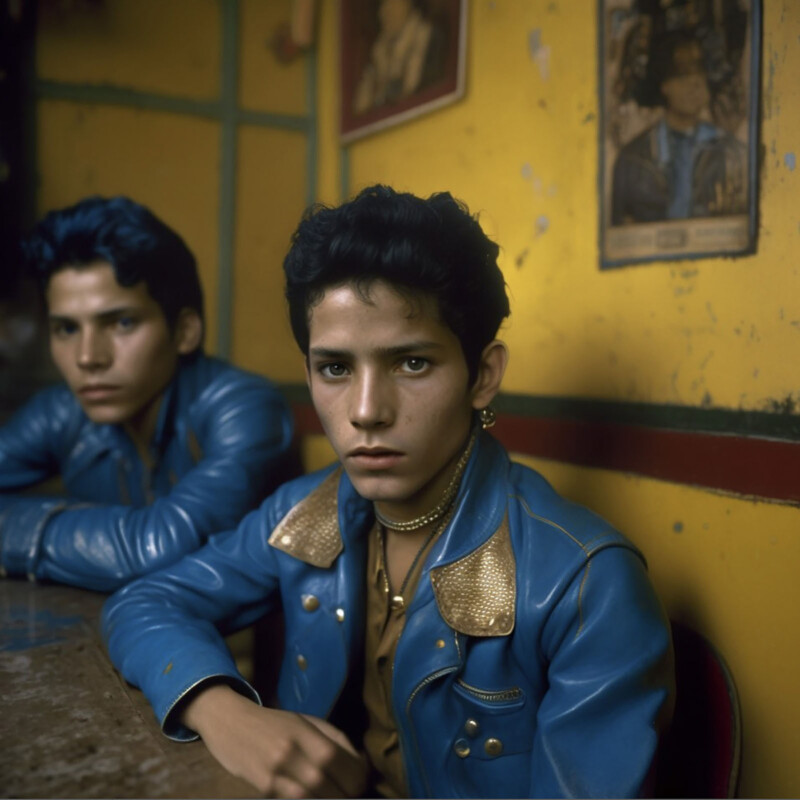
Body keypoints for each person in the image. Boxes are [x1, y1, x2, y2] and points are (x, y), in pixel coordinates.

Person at [103, 185, 674, 798]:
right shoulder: (304, 513)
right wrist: (225, 713)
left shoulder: (588, 582)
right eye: (336, 368)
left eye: (412, 363)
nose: (366, 411)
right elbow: (141, 604)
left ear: (483, 376)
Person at [0, 196, 294, 591]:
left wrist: (22, 529)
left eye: (121, 322)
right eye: (67, 329)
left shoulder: (243, 407)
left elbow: (158, 548)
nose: (88, 358)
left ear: (185, 331)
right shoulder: (61, 412)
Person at [611, 30, 747, 225]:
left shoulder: (734, 154)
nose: (695, 83)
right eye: (682, 74)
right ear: (664, 84)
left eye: (701, 71)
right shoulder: (631, 160)